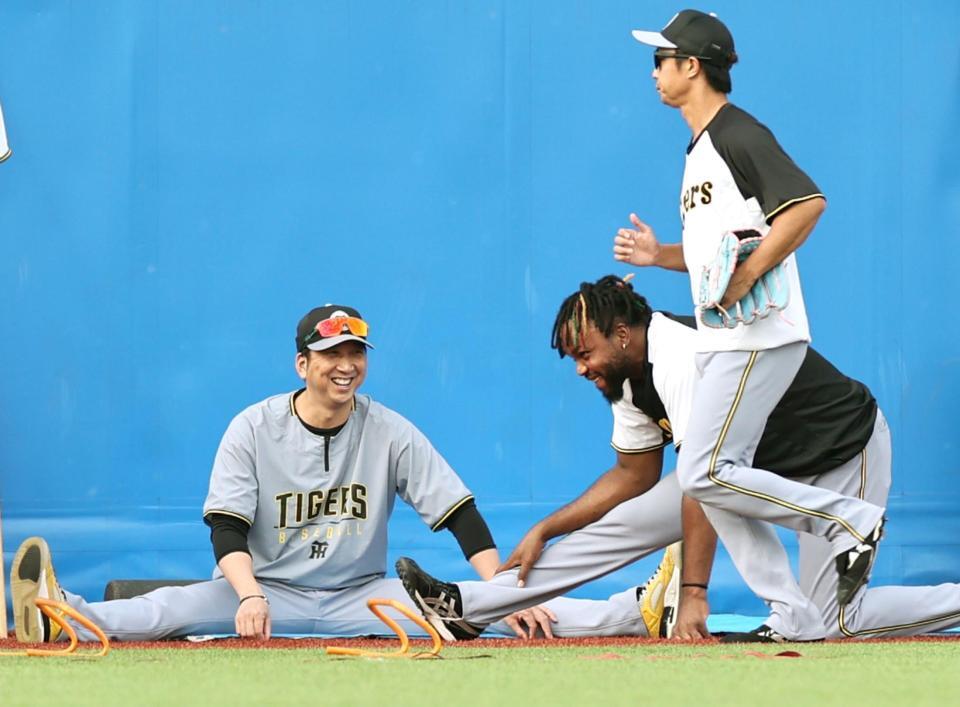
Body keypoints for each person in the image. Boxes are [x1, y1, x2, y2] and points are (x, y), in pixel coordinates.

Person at [10, 304, 658, 643]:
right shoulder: (253, 427)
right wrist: (251, 596)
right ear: (302, 363)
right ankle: (56, 611)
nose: (344, 365)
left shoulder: (388, 427)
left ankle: (632, 610)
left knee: (487, 602)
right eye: (330, 354)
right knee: (170, 607)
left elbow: (461, 516)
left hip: (362, 595)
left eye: (354, 352)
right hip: (264, 590)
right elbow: (226, 533)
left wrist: (505, 594)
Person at [397, 276, 960, 642]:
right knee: (614, 528)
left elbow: (702, 483)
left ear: (622, 334)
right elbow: (633, 474)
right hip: (753, 472)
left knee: (835, 620)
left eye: (585, 352)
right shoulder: (626, 378)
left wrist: (694, 594)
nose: (579, 368)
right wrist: (547, 526)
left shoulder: (683, 354)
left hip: (838, 451)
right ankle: (467, 606)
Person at [611, 9, 890, 630]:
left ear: (691, 66)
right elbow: (716, 261)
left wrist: (749, 271)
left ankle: (850, 521)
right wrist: (660, 256)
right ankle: (793, 611)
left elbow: (807, 204)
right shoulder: (700, 148)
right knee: (711, 479)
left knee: (704, 470)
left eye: (662, 59)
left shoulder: (737, 133)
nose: (654, 70)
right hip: (728, 337)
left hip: (761, 334)